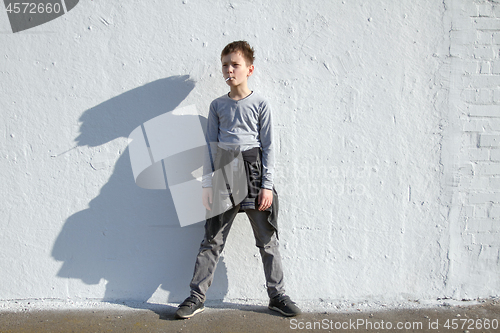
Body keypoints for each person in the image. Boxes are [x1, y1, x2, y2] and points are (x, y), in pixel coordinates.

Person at [175, 41, 301, 319]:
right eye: (225, 65)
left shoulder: (260, 104)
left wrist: (267, 185)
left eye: (235, 64)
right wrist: (208, 184)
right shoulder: (217, 105)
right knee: (211, 240)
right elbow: (211, 146)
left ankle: (277, 295)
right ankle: (197, 297)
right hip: (224, 173)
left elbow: (269, 146)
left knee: (267, 241)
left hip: (254, 173)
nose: (229, 69)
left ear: (249, 69)